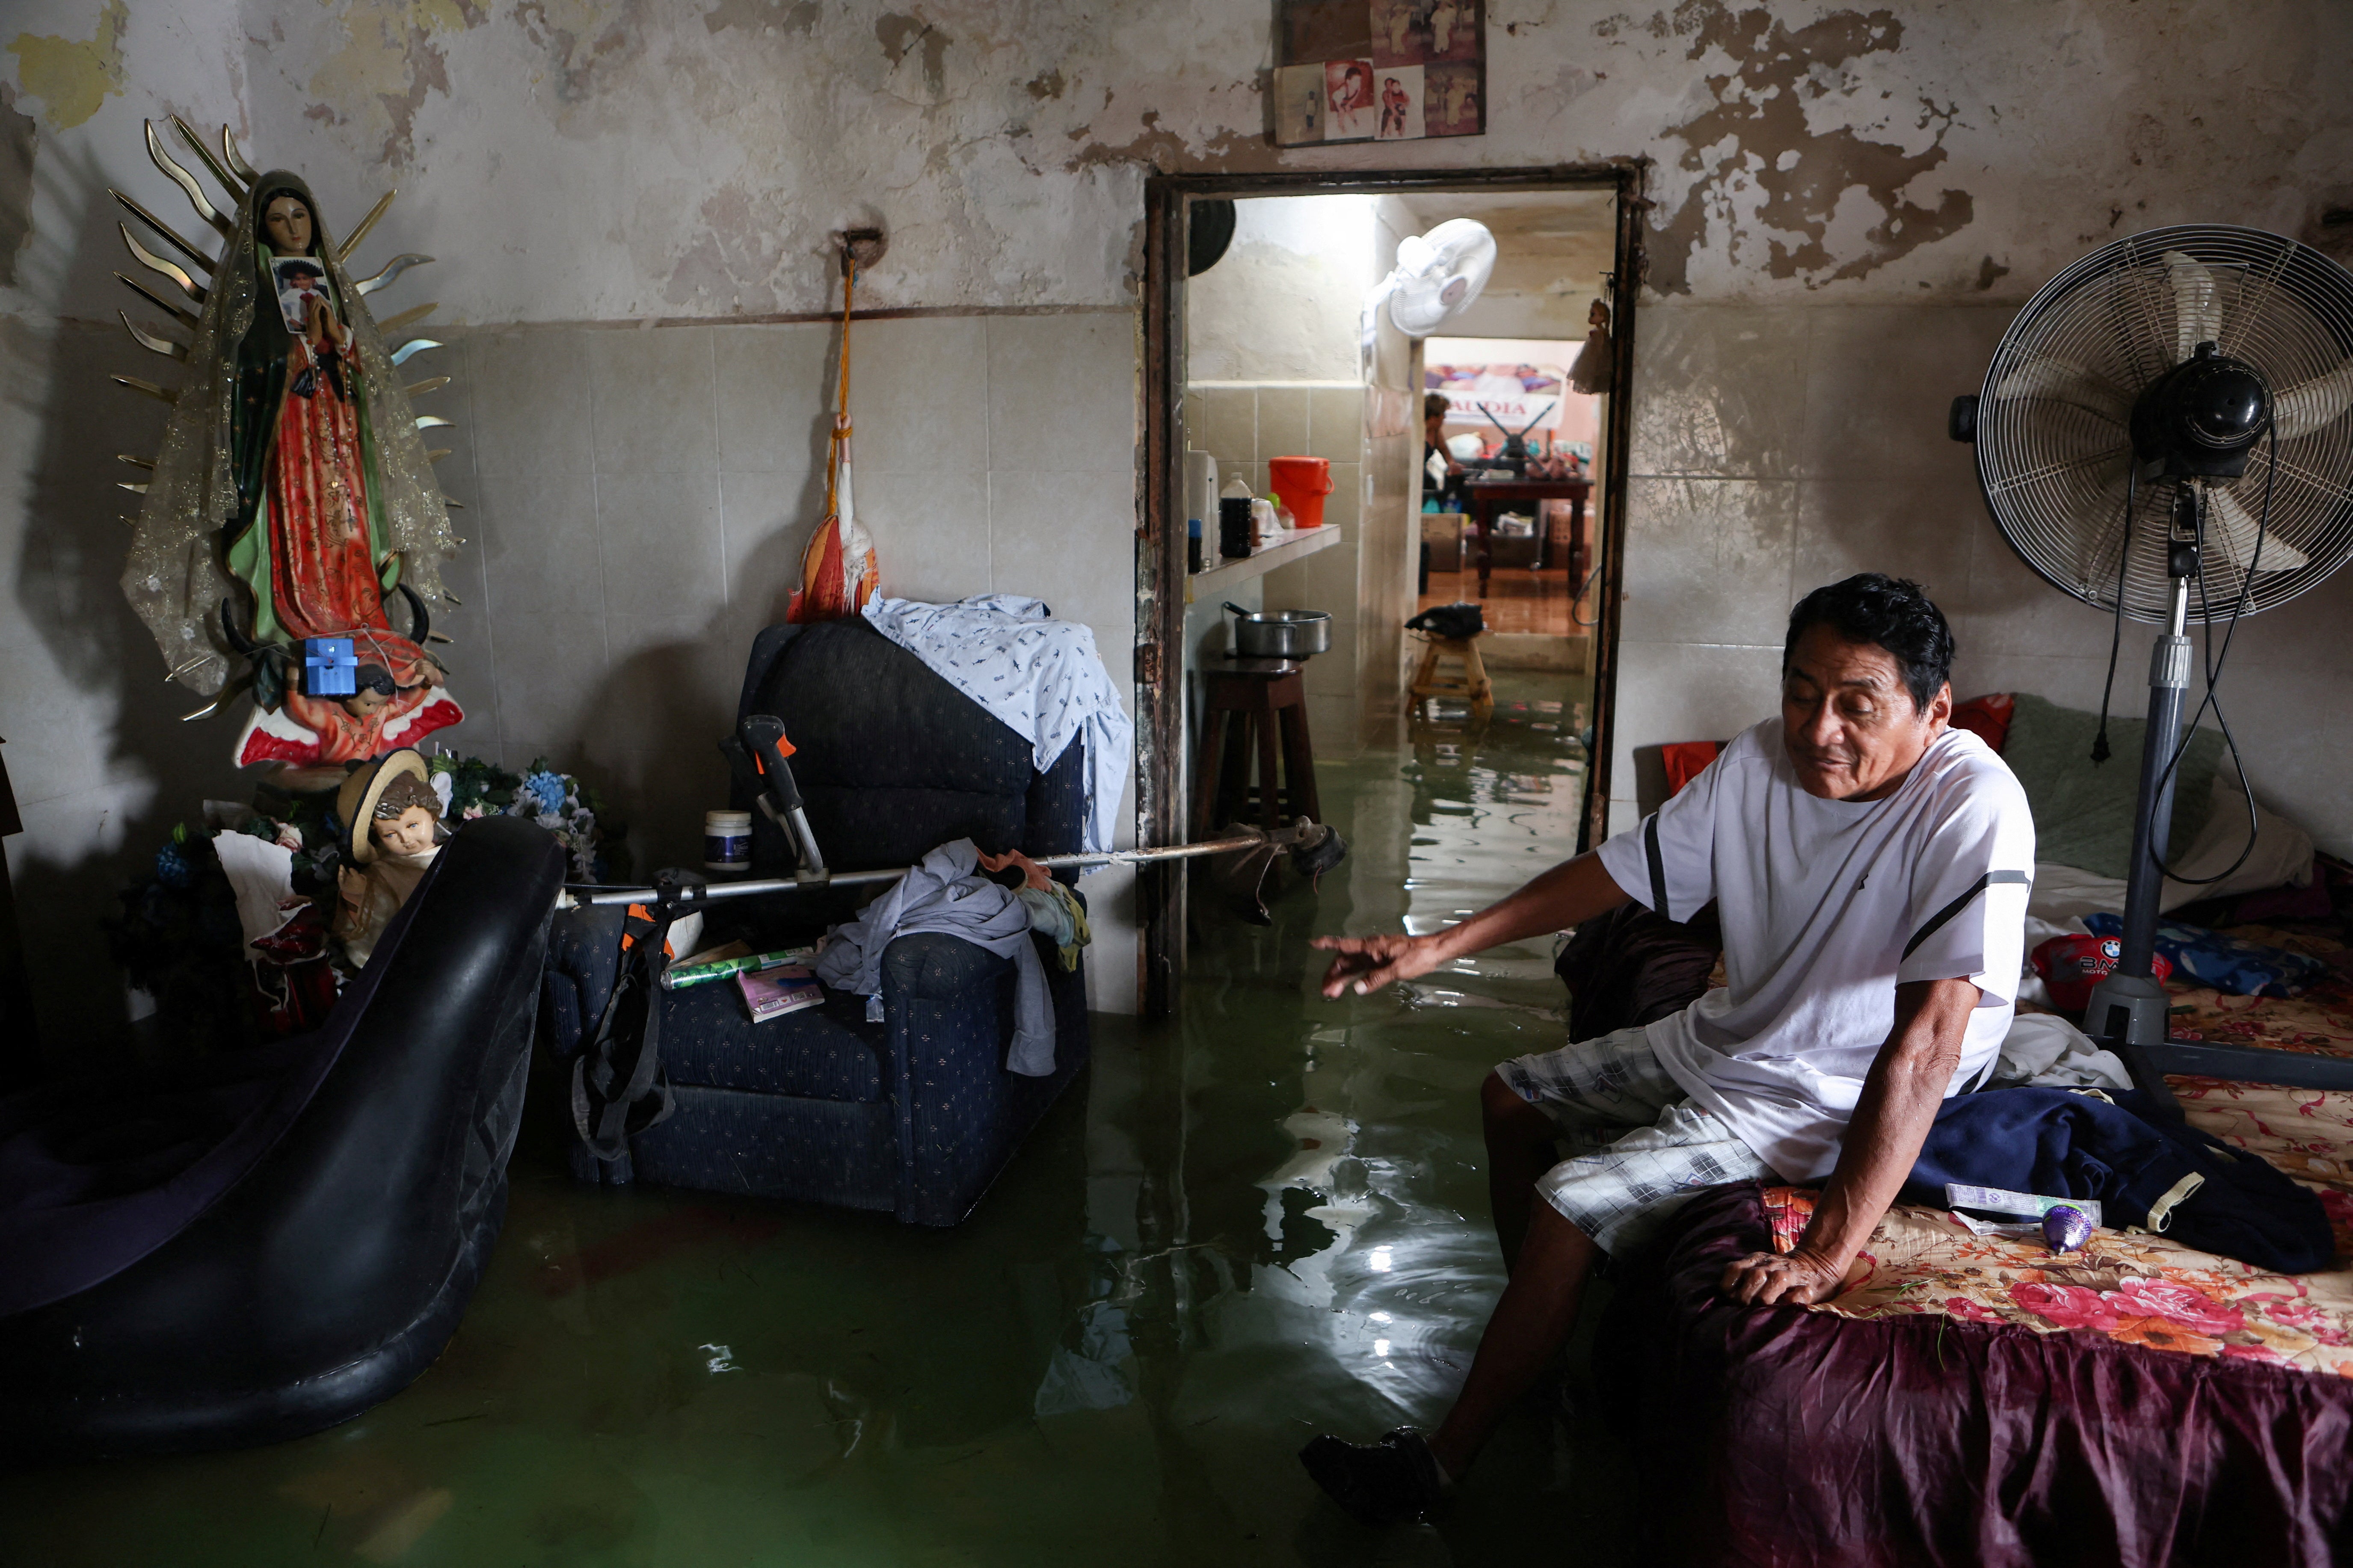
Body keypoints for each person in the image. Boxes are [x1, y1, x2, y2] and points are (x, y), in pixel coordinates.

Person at [1298, 574, 2034, 1525]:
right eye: (1801, 691)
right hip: (1740, 1035)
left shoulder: (1970, 802)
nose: (1819, 729)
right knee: (1507, 1096)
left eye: (1857, 705)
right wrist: (1433, 946)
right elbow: (1614, 872)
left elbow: (1930, 1042)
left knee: (1571, 1201)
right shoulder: (1760, 761)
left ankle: (1439, 1465)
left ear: (1933, 710)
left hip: (1829, 1087)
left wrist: (1824, 1253)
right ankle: (1543, 1342)